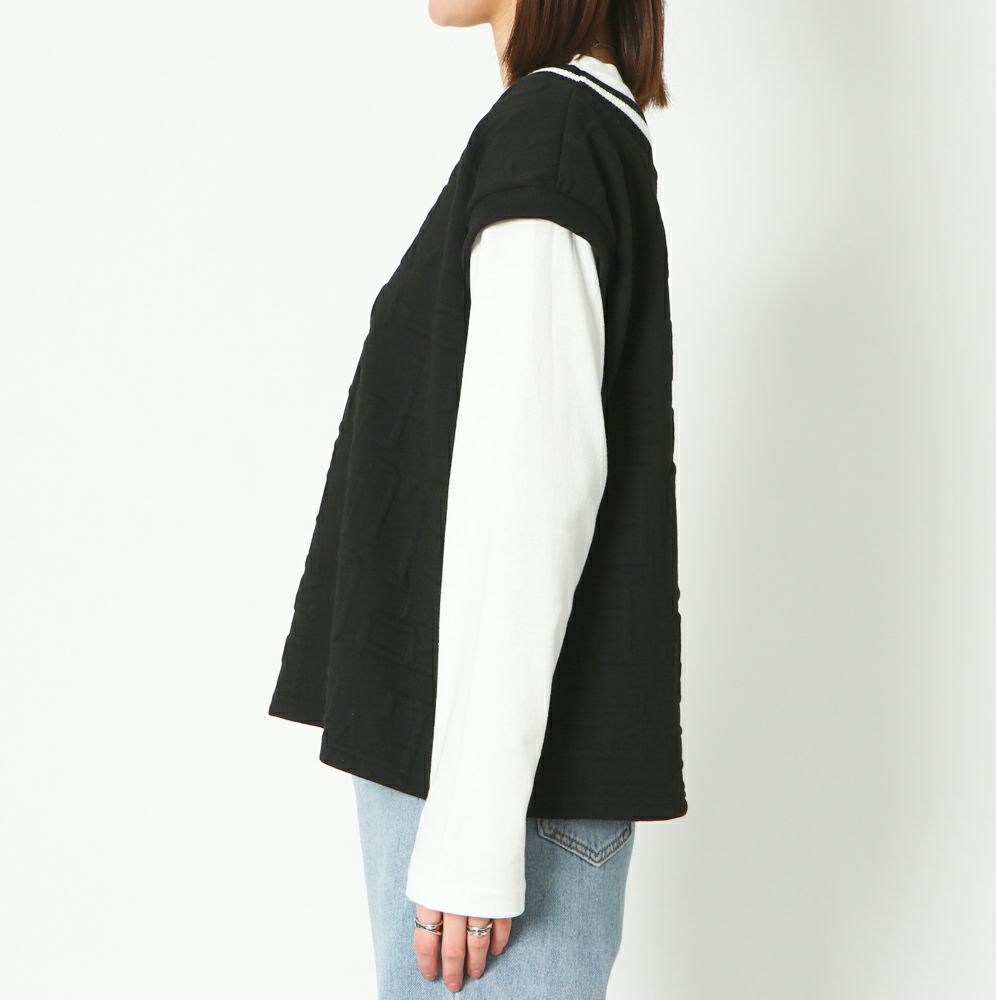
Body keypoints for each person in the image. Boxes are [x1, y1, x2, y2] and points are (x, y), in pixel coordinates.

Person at [268, 2, 686, 996]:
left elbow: (532, 493)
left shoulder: (553, 132)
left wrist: (472, 840)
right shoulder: (567, 129)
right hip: (488, 785)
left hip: (494, 803)